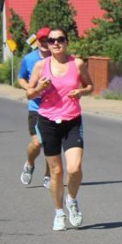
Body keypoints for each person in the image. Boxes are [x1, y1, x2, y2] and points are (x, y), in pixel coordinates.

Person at [26, 28, 93, 231]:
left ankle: (71, 200)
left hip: (72, 120)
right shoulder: (40, 66)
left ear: (67, 42)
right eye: (51, 40)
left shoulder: (77, 63)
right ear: (47, 43)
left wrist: (81, 91)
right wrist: (39, 89)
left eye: (60, 39)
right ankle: (58, 212)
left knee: (74, 168)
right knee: (56, 171)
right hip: (47, 120)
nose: (55, 43)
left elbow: (90, 86)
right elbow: (29, 93)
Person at [17, 27, 51, 186]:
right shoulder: (29, 59)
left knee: (51, 144)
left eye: (47, 40)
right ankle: (29, 164)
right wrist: (29, 89)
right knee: (37, 143)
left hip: (54, 108)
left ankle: (48, 174)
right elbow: (20, 78)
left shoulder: (58, 59)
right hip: (35, 107)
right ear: (37, 41)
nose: (44, 43)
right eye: (41, 40)